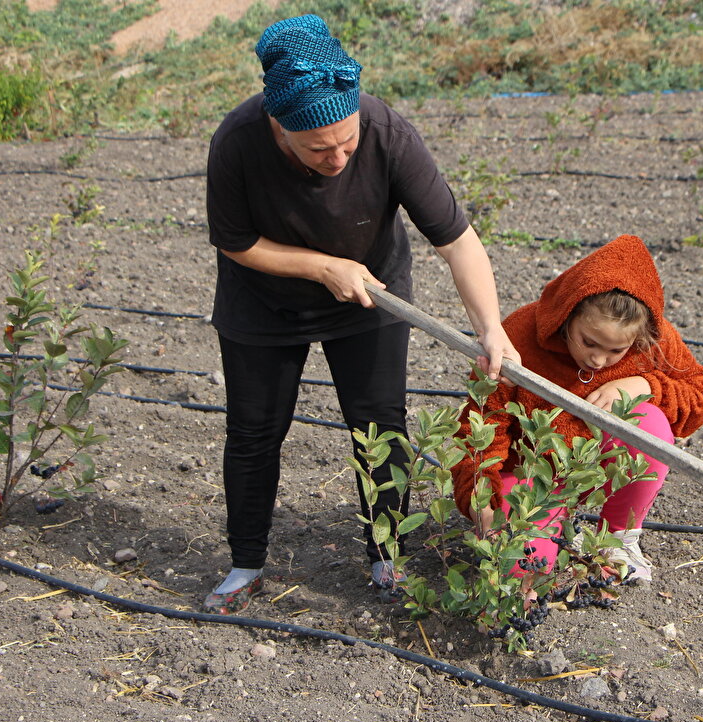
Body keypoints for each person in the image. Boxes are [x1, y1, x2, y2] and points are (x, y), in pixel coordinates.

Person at [202, 14, 519, 613]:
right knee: (253, 431)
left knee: (378, 425)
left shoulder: (385, 132)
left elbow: (456, 240)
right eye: (318, 148)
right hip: (263, 302)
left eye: (346, 141)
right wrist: (324, 266)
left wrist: (489, 326)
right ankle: (246, 563)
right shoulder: (238, 141)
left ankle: (385, 555)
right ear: (280, 127)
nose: (339, 156)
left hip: (371, 294)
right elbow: (236, 241)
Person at [450, 234, 703, 583]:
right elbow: (483, 425)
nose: (598, 358)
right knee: (523, 569)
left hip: (595, 472)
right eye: (589, 341)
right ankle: (545, 527)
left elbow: (700, 397)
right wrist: (480, 496)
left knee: (649, 423)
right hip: (529, 479)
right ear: (567, 315)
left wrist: (646, 385)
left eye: (616, 351)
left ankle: (615, 539)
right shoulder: (519, 338)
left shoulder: (655, 339)